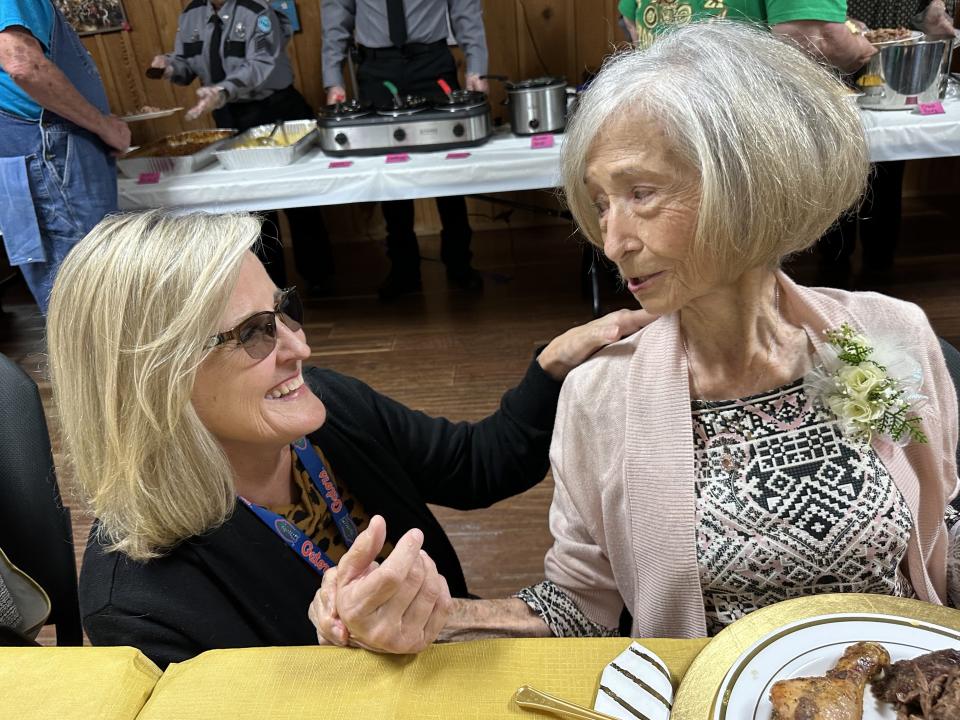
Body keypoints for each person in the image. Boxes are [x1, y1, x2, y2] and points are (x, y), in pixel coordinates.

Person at [309, 22, 960, 653]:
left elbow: (944, 536)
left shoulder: (886, 334)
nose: (613, 243)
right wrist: (438, 619)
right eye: (600, 204)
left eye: (641, 194)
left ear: (750, 179)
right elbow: (582, 605)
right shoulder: (600, 396)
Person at [45, 209, 650, 668]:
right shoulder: (137, 602)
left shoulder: (326, 408)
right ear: (155, 381)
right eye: (256, 334)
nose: (299, 347)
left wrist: (552, 367)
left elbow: (475, 466)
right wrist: (340, 654)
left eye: (286, 311)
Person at [150, 0, 334, 295]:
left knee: (298, 200)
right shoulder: (192, 14)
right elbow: (188, 61)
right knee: (250, 208)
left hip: (274, 109)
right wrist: (170, 66)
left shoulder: (257, 10)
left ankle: (319, 278)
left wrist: (223, 89)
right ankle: (270, 290)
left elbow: (261, 64)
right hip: (229, 114)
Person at [321, 0, 489, 300]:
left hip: (432, 62)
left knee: (447, 165)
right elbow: (337, 14)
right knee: (389, 168)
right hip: (376, 68)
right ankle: (403, 267)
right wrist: (333, 77)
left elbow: (465, 8)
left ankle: (460, 262)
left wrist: (476, 65)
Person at [0, 0, 128, 313]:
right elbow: (22, 62)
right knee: (88, 291)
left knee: (81, 290)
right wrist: (104, 125)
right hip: (50, 154)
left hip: (39, 153)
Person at [819, 0, 958, 288]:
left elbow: (933, 14)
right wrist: (838, 26)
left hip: (899, 66)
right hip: (832, 66)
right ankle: (833, 262)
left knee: (888, 171)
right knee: (836, 167)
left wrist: (934, 15)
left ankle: (879, 264)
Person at [618, 0, 877, 72]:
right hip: (742, 126)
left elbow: (634, 22)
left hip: (655, 107)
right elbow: (816, 38)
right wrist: (859, 49)